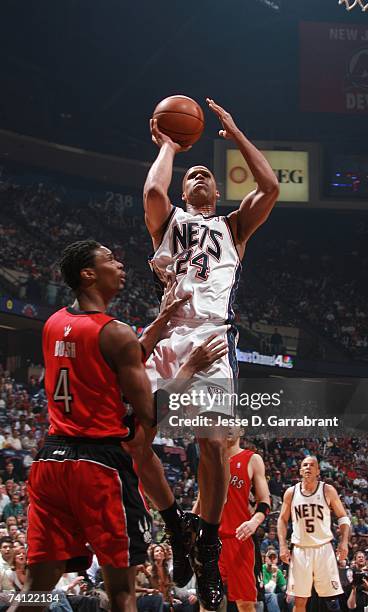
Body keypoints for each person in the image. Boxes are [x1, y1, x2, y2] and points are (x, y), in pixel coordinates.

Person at [10, 240, 224, 612]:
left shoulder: (54, 323)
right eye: (110, 259)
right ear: (88, 274)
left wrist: (161, 322)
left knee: (35, 590)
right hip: (99, 468)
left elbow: (113, 354)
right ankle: (179, 530)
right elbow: (151, 415)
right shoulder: (116, 332)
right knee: (122, 593)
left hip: (50, 462)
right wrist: (190, 368)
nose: (120, 264)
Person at [144, 98, 279, 608]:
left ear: (219, 190)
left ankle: (204, 538)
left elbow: (270, 188)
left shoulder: (233, 228)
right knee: (136, 439)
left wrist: (236, 131)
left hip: (212, 337)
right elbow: (154, 189)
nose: (199, 176)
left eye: (207, 174)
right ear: (185, 188)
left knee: (214, 442)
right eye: (192, 174)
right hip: (167, 332)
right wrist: (169, 146)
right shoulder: (170, 221)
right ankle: (175, 525)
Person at [193, 427, 270, 612]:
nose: (227, 427)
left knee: (245, 603)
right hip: (210, 540)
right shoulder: (210, 460)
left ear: (241, 430)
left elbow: (265, 501)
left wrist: (254, 522)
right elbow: (201, 500)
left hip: (239, 540)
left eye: (232, 423)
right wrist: (188, 526)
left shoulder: (252, 459)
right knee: (208, 604)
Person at [277, 456, 350, 612]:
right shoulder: (291, 492)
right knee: (300, 601)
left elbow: (343, 517)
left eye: (312, 465)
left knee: (331, 600)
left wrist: (344, 542)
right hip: (300, 550)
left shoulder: (328, 490)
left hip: (323, 548)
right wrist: (283, 545)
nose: (308, 467)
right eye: (305, 465)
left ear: (318, 471)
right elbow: (282, 520)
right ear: (300, 470)